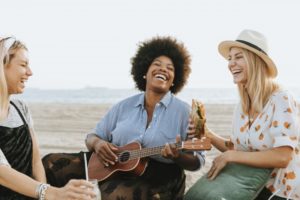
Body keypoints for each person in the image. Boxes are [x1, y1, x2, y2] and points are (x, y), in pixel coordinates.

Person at [82, 36, 205, 200]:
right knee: (52, 163)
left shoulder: (186, 112)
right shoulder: (123, 106)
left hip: (161, 179)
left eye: (170, 68)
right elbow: (91, 136)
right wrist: (98, 143)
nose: (163, 69)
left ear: (174, 81)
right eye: (156, 64)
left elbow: (199, 161)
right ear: (145, 73)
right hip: (115, 169)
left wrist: (178, 156)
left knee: (110, 194)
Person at [185, 30, 300, 200]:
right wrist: (207, 133)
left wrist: (230, 156)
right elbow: (238, 150)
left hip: (281, 193)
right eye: (230, 58)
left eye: (238, 57)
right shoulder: (242, 106)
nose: (231, 64)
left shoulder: (282, 99)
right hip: (251, 189)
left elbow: (283, 156)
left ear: (255, 61)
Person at [0, 37, 95, 199]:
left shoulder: (21, 108)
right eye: (23, 65)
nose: (30, 72)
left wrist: (43, 197)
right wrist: (52, 193)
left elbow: (35, 161)